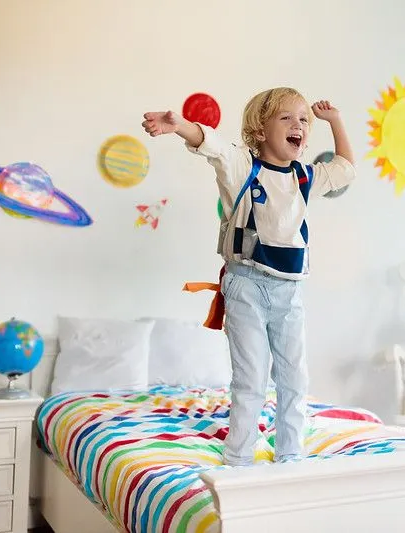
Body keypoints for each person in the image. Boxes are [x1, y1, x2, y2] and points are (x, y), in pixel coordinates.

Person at [141, 87, 355, 466]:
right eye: (287, 118)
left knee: (295, 379)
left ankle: (290, 453)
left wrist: (334, 120)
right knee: (251, 379)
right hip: (247, 286)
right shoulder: (243, 166)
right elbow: (213, 145)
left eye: (304, 119)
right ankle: (239, 457)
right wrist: (179, 126)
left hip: (290, 292)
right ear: (259, 130)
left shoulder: (305, 177)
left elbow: (345, 169)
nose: (299, 125)